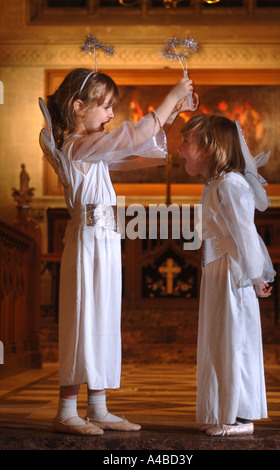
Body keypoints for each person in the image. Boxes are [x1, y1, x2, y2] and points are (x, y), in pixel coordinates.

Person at [39, 68, 197, 436]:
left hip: (105, 240)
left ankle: (98, 407)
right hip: (87, 243)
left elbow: (137, 149)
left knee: (103, 321)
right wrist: (172, 95)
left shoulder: (95, 149)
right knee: (84, 320)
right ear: (79, 107)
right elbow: (135, 135)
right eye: (106, 107)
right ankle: (65, 410)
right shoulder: (77, 146)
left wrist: (172, 114)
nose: (112, 115)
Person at [178, 114, 275, 437]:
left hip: (234, 274)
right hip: (218, 272)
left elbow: (245, 234)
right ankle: (222, 408)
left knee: (235, 339)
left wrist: (257, 275)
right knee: (219, 339)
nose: (180, 151)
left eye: (185, 142)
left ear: (208, 147)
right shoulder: (216, 184)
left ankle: (239, 416)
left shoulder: (230, 185)